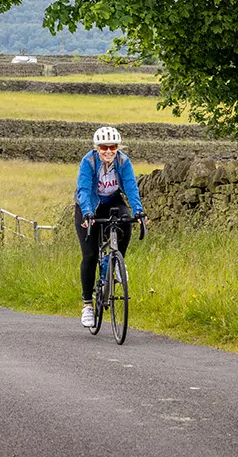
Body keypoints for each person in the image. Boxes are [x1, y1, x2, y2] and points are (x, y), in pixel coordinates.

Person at [75, 126, 146, 328]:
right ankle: (87, 305)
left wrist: (139, 211)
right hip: (89, 204)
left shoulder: (123, 161)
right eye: (104, 147)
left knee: (126, 221)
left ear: (117, 148)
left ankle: (115, 262)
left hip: (112, 201)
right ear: (97, 148)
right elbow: (84, 189)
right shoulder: (89, 161)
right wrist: (87, 213)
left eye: (112, 147)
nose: (108, 151)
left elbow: (131, 187)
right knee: (90, 255)